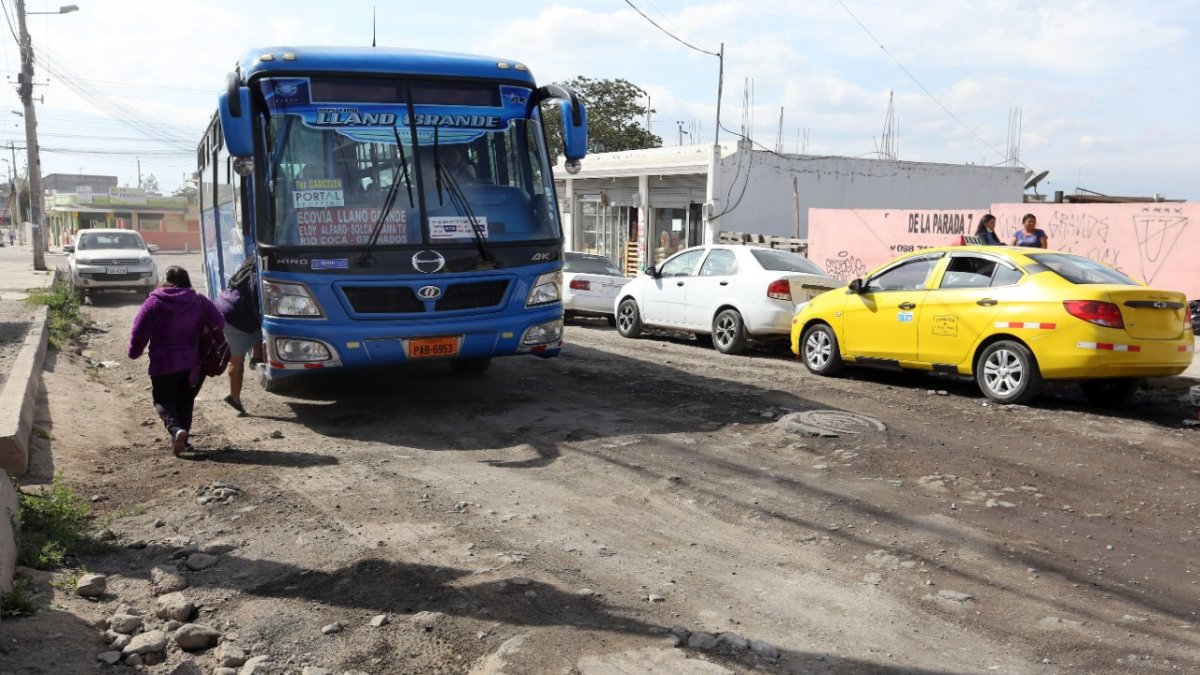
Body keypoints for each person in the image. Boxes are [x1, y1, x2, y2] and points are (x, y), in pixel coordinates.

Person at [128, 265, 225, 457]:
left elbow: (139, 332)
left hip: (163, 365)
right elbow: (220, 322)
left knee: (163, 400)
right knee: (185, 400)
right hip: (194, 364)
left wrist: (134, 352)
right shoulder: (199, 301)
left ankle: (176, 430)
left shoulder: (153, 302)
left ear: (165, 281)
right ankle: (183, 441)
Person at [215, 256, 263, 414]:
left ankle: (257, 356)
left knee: (257, 330)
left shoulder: (245, 270)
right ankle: (234, 397)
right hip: (235, 317)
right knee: (237, 359)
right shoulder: (258, 276)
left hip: (224, 304)